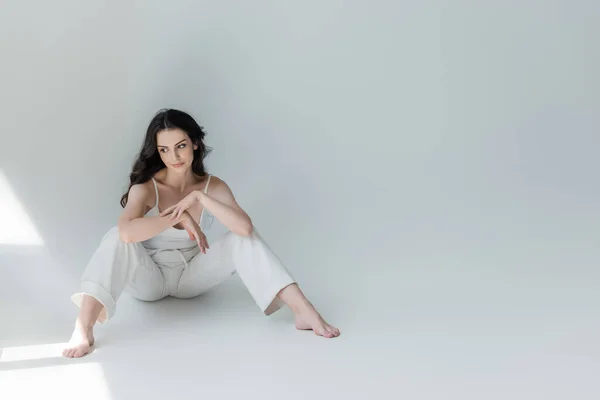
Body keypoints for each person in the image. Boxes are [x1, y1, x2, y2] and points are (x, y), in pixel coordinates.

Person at [62, 108, 340, 358]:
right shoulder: (147, 187)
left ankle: (304, 311)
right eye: (164, 150)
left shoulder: (213, 186)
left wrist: (200, 199)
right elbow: (126, 233)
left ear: (195, 144)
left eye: (181, 146)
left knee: (241, 239)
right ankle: (83, 326)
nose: (174, 157)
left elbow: (244, 228)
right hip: (149, 278)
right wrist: (179, 216)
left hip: (190, 277)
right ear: (157, 152)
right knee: (113, 236)